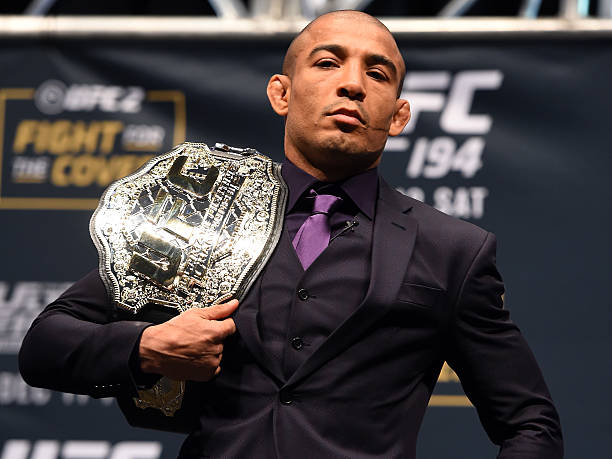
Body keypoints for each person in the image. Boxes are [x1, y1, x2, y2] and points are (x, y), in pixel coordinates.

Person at [19, 10, 563, 458]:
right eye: (328, 63)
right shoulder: (202, 214)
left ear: (398, 116)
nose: (352, 83)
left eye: (377, 74)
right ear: (281, 93)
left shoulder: (452, 250)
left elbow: (530, 423)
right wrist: (146, 346)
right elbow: (44, 345)